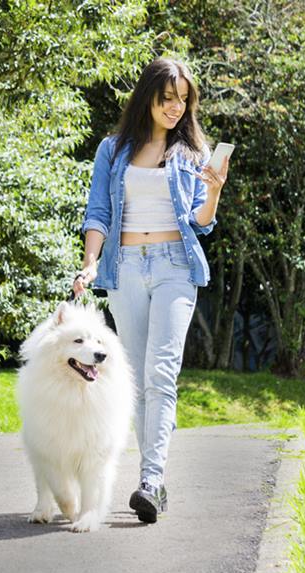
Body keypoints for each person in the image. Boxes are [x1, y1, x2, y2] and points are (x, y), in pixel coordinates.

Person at [72, 57, 229, 523]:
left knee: (162, 372)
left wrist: (214, 191)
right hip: (124, 269)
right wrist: (90, 263)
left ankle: (151, 480)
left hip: (174, 268)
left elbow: (202, 222)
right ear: (148, 98)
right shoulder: (113, 150)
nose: (177, 107)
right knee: (137, 379)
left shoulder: (193, 154)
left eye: (184, 100)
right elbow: (98, 211)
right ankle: (152, 481)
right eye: (168, 98)